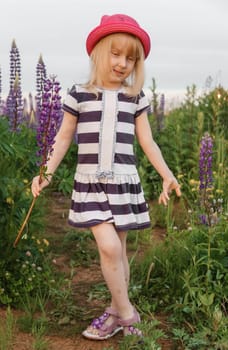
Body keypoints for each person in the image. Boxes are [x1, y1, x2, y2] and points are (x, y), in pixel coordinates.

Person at [31, 13, 181, 340]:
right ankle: (129, 316)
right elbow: (63, 137)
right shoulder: (79, 94)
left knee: (121, 252)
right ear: (98, 51)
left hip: (124, 183)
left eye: (130, 58)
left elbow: (147, 141)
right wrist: (46, 171)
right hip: (90, 184)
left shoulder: (135, 98)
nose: (122, 63)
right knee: (110, 248)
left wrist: (167, 174)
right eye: (116, 53)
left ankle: (114, 313)